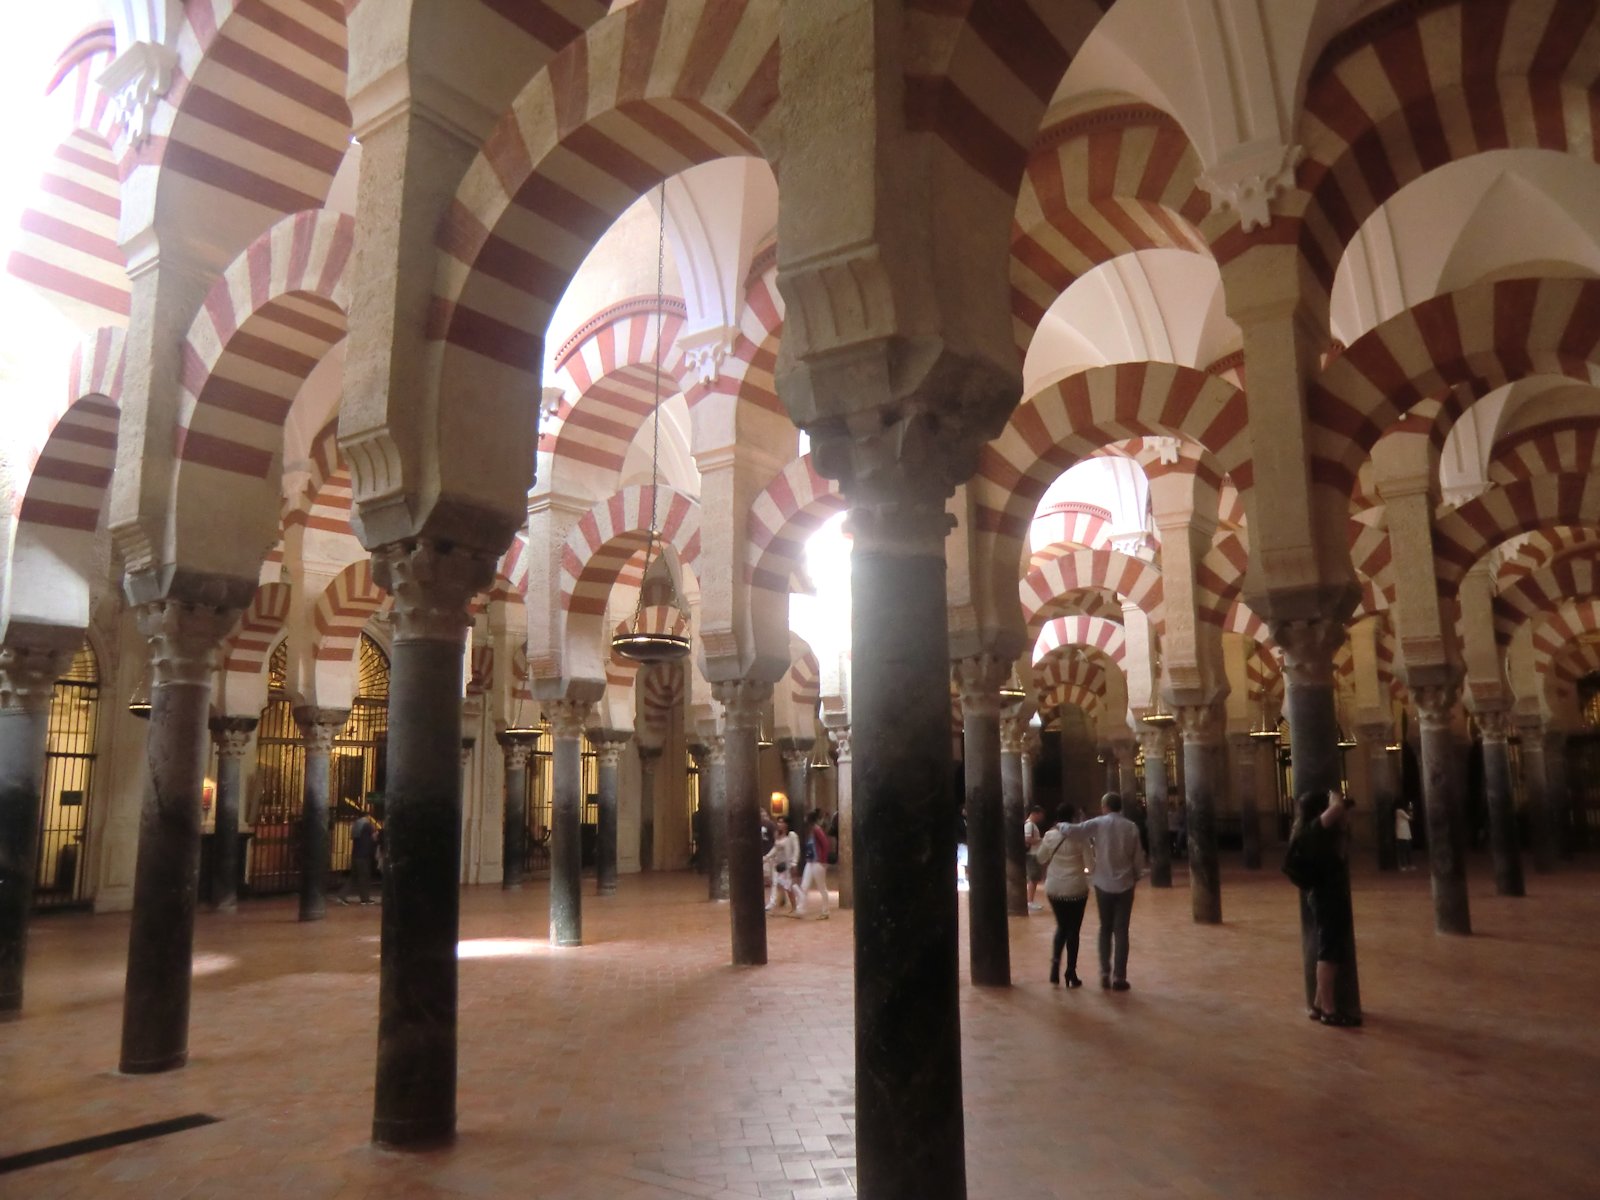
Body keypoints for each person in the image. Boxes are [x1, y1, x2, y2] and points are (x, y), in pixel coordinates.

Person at [1285, 789, 1358, 1027]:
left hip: (1326, 895)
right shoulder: (1313, 830)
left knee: (1332, 948)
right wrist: (1335, 797)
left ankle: (1318, 1005)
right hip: (1326, 897)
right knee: (1329, 952)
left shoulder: (1313, 832)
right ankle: (1328, 1009)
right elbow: (1337, 809)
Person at [1057, 792, 1143, 990]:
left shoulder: (1099, 823)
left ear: (1104, 807)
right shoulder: (1131, 827)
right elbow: (1138, 856)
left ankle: (1104, 972)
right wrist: (1136, 875)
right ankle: (1119, 977)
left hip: (1103, 883)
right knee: (1121, 931)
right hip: (1125, 884)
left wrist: (1060, 825)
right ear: (1119, 806)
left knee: (1105, 928)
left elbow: (1075, 831)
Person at [1034, 803, 1091, 986]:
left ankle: (1054, 968)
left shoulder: (1050, 836)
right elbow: (1091, 863)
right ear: (1074, 817)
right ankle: (1071, 972)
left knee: (1061, 927)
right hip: (1077, 888)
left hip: (1055, 887)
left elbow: (1041, 858)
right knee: (1073, 931)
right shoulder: (1081, 837)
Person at [339, 806, 379, 906]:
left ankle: (342, 895)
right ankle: (365, 899)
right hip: (364, 855)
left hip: (355, 854)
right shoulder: (367, 825)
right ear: (366, 816)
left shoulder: (355, 825)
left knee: (353, 877)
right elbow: (374, 838)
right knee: (364, 877)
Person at [797, 809, 831, 919]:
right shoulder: (810, 832)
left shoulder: (817, 830)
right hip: (810, 861)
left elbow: (825, 844)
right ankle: (801, 909)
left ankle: (825, 911)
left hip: (818, 862)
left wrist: (824, 861)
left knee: (821, 887)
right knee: (804, 885)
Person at [764, 815, 800, 915]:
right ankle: (773, 904)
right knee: (777, 884)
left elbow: (796, 849)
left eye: (782, 822)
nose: (780, 824)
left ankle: (795, 906)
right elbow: (775, 848)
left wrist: (794, 863)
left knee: (788, 887)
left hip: (787, 865)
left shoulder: (792, 835)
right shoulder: (778, 835)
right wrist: (767, 857)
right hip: (778, 865)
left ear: (787, 824)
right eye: (779, 822)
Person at [1023, 805, 1046, 911]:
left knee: (1035, 878)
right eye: (1040, 815)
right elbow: (1027, 839)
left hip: (1034, 854)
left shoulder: (1032, 825)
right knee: (1033, 878)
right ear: (1035, 813)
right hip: (1032, 854)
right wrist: (1041, 840)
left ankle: (1030, 900)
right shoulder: (1029, 825)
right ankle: (1029, 901)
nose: (1041, 818)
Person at [1394, 801, 1414, 870]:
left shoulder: (1398, 811)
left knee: (1405, 850)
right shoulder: (1400, 811)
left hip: (1404, 833)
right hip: (1402, 834)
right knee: (1404, 850)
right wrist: (1410, 810)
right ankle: (1404, 865)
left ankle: (1407, 864)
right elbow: (1410, 818)